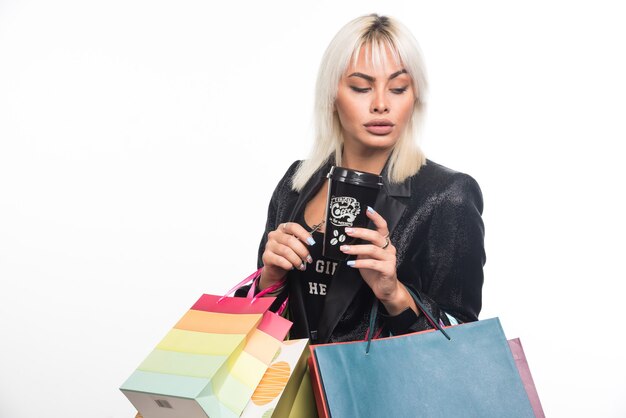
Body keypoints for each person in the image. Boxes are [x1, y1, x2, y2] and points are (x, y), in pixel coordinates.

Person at [236, 14, 485, 344]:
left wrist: (394, 293)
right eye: (361, 87)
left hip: (377, 393)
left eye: (398, 88)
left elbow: (465, 343)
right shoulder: (296, 182)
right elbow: (259, 331)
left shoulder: (448, 195)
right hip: (288, 390)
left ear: (416, 97)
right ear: (332, 95)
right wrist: (270, 279)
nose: (381, 104)